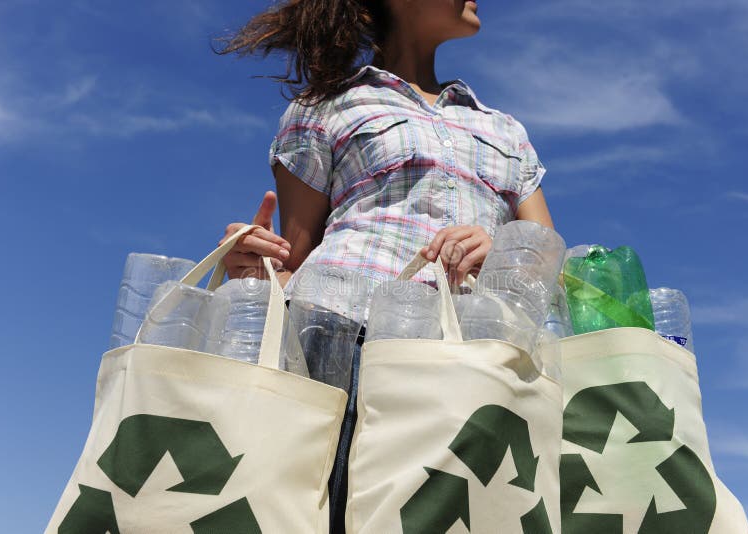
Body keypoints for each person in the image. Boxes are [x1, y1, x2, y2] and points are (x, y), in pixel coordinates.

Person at [217, 1, 554, 531]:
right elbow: (293, 260)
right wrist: (250, 262)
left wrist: (503, 249)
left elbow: (545, 260)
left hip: (469, 351)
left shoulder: (505, 130)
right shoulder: (325, 106)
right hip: (338, 336)